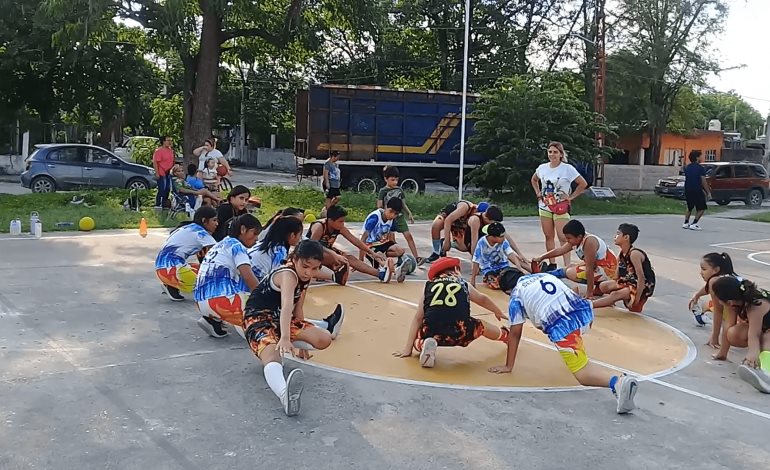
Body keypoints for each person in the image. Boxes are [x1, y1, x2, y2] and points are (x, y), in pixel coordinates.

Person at [492, 269, 639, 414]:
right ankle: (619, 380)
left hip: (564, 326)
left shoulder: (516, 296)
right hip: (585, 312)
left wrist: (508, 365)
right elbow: (561, 274)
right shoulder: (541, 275)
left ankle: (617, 382)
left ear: (508, 291)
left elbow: (515, 334)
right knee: (557, 332)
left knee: (582, 374)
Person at [243, 240, 345, 416]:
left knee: (324, 338)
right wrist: (285, 338)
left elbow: (298, 308)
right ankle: (285, 394)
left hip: (280, 319)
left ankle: (285, 344)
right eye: (305, 266)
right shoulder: (288, 274)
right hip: (257, 318)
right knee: (273, 356)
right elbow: (287, 305)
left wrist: (302, 339)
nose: (309, 272)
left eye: (315, 268)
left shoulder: (305, 277)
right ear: (295, 259)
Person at [392, 257, 510, 368]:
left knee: (419, 334)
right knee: (481, 325)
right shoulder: (462, 283)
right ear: (456, 270)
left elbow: (418, 318)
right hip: (461, 332)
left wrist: (408, 348)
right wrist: (497, 311)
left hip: (433, 331)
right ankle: (505, 336)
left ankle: (423, 345)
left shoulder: (429, 286)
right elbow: (482, 299)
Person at [194, 214, 262, 338]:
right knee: (268, 309)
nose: (256, 239)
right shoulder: (237, 246)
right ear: (242, 230)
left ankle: (213, 320)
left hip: (201, 302)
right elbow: (248, 276)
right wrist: (264, 298)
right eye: (254, 233)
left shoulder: (221, 244)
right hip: (221, 302)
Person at [530, 141, 588, 271]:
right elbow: (534, 179)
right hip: (545, 205)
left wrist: (571, 197)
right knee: (548, 236)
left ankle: (567, 265)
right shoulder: (542, 168)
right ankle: (552, 263)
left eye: (555, 152)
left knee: (564, 237)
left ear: (561, 154)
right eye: (550, 152)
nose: (552, 154)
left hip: (560, 206)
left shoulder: (567, 169)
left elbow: (582, 183)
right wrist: (538, 193)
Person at [531, 219, 618, 300]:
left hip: (608, 270)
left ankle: (541, 277)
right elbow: (560, 250)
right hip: (599, 266)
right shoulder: (577, 239)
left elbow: (589, 269)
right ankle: (541, 277)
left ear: (579, 236)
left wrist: (589, 293)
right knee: (569, 268)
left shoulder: (589, 243)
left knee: (570, 272)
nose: (567, 240)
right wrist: (541, 257)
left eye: (569, 238)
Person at [711, 276, 770, 393]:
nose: (718, 302)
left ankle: (766, 373)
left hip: (766, 331)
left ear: (728, 301)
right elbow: (728, 325)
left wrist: (753, 354)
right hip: (765, 328)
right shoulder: (735, 303)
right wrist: (723, 352)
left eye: (719, 299)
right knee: (733, 333)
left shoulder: (756, 305)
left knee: (766, 337)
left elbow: (755, 334)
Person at [307, 205, 395, 283]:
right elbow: (312, 245)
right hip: (310, 252)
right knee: (340, 259)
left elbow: (355, 241)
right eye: (340, 221)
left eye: (343, 221)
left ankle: (380, 274)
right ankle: (333, 273)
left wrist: (372, 253)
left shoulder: (340, 228)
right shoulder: (319, 226)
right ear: (330, 220)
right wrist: (333, 254)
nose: (343, 224)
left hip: (326, 251)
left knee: (350, 258)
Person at [155, 206, 218, 301]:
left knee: (201, 268)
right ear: (204, 220)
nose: (217, 224)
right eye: (214, 220)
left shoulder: (188, 228)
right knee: (213, 281)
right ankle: (172, 283)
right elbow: (220, 253)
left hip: (162, 269)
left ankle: (171, 284)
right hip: (172, 269)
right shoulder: (201, 233)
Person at [592, 224, 656, 313]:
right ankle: (613, 299)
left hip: (642, 285)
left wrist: (636, 299)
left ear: (626, 237)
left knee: (617, 295)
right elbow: (616, 276)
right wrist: (612, 288)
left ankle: (589, 305)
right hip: (628, 281)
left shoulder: (634, 254)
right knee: (603, 286)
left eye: (618, 234)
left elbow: (641, 278)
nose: (615, 236)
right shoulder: (622, 253)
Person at [688, 253, 741, 356]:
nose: (700, 272)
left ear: (716, 270)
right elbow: (707, 288)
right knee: (710, 305)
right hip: (748, 310)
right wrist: (697, 295)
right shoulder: (724, 277)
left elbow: (719, 312)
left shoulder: (715, 282)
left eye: (704, 269)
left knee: (733, 334)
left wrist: (715, 338)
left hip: (744, 315)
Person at [377, 166, 423, 264]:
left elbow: (403, 203)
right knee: (391, 240)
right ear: (386, 179)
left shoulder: (399, 190)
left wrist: (409, 213)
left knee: (408, 235)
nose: (395, 182)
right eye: (392, 180)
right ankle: (396, 259)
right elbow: (379, 206)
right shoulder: (383, 191)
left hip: (400, 217)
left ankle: (417, 257)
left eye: (396, 180)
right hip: (389, 219)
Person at [470, 222, 530, 290]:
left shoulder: (504, 241)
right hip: (489, 269)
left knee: (515, 280)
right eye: (501, 237)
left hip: (503, 267)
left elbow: (510, 254)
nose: (504, 238)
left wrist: (519, 267)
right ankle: (489, 279)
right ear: (493, 237)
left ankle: (501, 280)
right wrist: (473, 279)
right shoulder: (481, 243)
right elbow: (476, 261)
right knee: (495, 285)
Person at [360, 197, 406, 282]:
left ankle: (397, 265)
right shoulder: (375, 218)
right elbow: (363, 239)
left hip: (381, 242)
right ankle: (389, 268)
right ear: (385, 207)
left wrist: (400, 255)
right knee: (379, 255)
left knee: (400, 250)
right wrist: (360, 259)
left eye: (396, 214)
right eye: (391, 211)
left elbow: (391, 238)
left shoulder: (392, 220)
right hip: (369, 243)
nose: (392, 215)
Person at [248, 216, 304, 280]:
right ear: (292, 235)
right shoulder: (280, 251)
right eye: (300, 235)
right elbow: (276, 278)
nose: (300, 239)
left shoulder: (264, 243)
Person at [683, 150, 711, 231]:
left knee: (689, 206)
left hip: (688, 189)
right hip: (697, 189)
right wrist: (708, 192)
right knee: (701, 207)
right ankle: (694, 223)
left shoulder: (687, 167)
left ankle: (685, 223)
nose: (702, 158)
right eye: (700, 156)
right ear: (697, 157)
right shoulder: (700, 168)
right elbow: (703, 181)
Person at [152, 136, 175, 209]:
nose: (169, 142)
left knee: (168, 189)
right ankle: (158, 204)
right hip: (162, 172)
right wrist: (157, 173)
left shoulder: (171, 150)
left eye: (170, 140)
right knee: (162, 188)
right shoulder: (159, 151)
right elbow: (155, 163)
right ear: (163, 141)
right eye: (168, 140)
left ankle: (164, 204)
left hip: (169, 172)